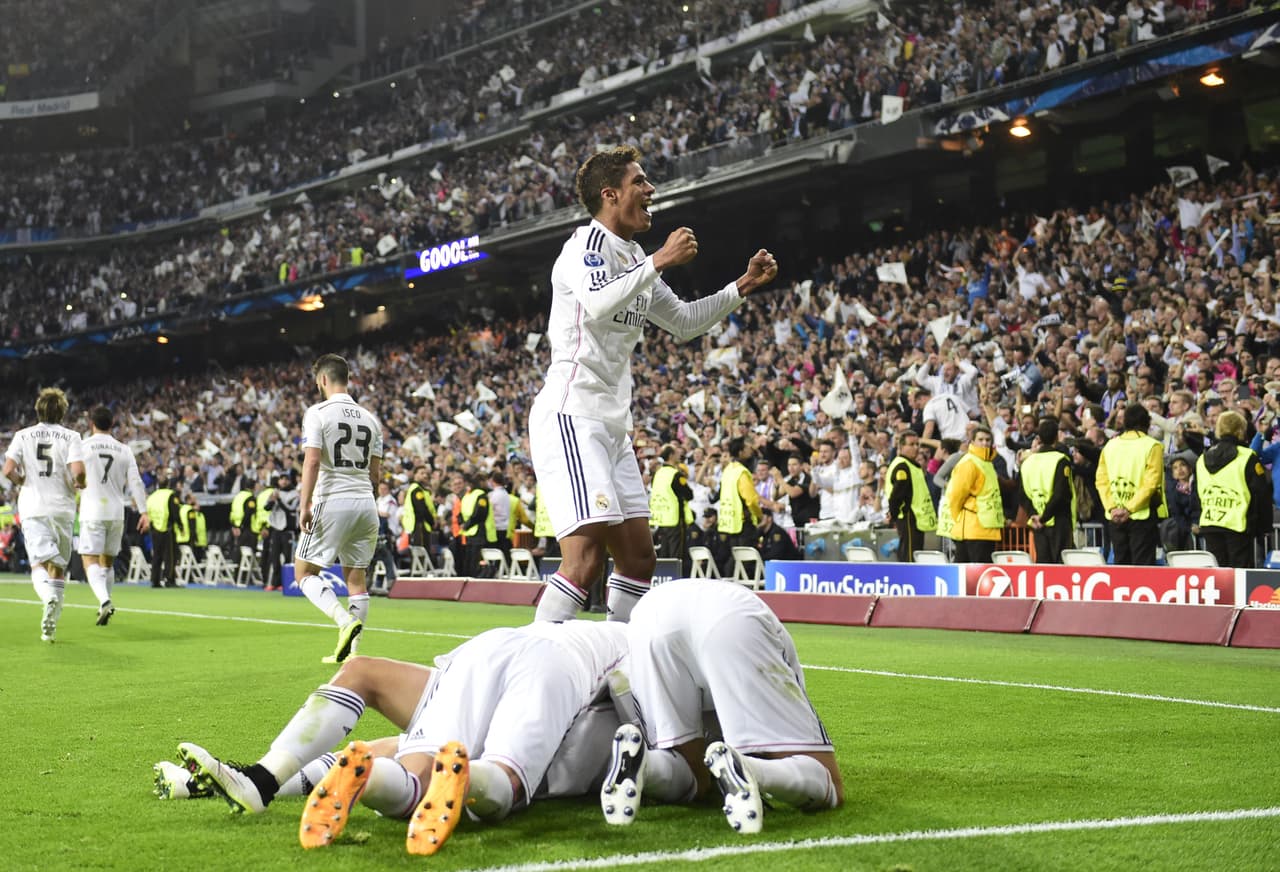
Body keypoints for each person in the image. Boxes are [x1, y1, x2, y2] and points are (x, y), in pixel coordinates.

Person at [528, 144, 777, 622]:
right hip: (571, 415)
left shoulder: (633, 255)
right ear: (610, 194)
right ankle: (537, 666)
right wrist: (660, 260)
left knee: (640, 558)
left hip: (613, 425)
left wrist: (740, 287)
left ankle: (618, 671)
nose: (650, 189)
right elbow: (599, 302)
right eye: (639, 182)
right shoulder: (585, 247)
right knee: (584, 561)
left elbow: (683, 321)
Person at [174, 620, 627, 856]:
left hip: (486, 648)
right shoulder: (642, 643)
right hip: (560, 667)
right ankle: (413, 783)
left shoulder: (611, 631)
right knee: (504, 780)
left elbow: (388, 743)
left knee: (362, 674)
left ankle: (261, 778)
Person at [600, 579, 842, 834]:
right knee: (829, 780)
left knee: (693, 773)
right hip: (730, 615)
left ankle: (646, 765)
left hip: (651, 614)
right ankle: (751, 770)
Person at [294, 354, 383, 664]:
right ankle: (353, 655)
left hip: (333, 500)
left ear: (322, 380)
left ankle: (344, 622)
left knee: (303, 572)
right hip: (366, 503)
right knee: (356, 579)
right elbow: (375, 474)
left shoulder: (317, 413)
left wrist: (305, 504)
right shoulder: (371, 419)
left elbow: (313, 460)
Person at [1, 387, 86, 642]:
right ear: (63, 411)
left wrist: (21, 479)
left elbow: (8, 471)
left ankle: (48, 598)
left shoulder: (22, 436)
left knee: (39, 563)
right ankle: (51, 625)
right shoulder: (72, 436)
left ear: (38, 409)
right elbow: (79, 473)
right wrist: (78, 483)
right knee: (58, 566)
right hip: (62, 507)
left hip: (33, 506)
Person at [78, 405, 150, 625]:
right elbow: (136, 482)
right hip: (117, 512)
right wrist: (144, 511)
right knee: (107, 562)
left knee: (89, 558)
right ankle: (104, 602)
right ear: (112, 425)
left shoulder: (82, 446)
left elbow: (73, 476)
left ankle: (104, 600)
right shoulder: (124, 449)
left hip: (92, 510)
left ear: (91, 424)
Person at [1193, 410, 1270, 568]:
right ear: (1241, 430)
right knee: (1240, 575)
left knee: (1218, 575)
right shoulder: (1248, 456)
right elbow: (1261, 494)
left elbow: (1196, 494)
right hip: (1237, 525)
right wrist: (1264, 527)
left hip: (1210, 522)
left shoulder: (1202, 459)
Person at [1097, 403, 1166, 565]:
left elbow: (1101, 480)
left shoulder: (1110, 445)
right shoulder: (1152, 445)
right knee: (1142, 568)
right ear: (1147, 423)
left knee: (1121, 564)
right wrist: (1129, 508)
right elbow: (1151, 482)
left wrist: (1112, 507)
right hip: (1141, 515)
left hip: (1114, 516)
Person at [937, 426, 1004, 563]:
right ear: (971, 442)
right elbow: (955, 495)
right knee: (972, 572)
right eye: (980, 440)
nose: (985, 443)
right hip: (972, 529)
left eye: (988, 440)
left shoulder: (987, 463)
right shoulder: (969, 463)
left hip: (985, 529)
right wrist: (959, 518)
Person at [1018, 418, 1075, 564]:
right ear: (1056, 437)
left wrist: (1034, 516)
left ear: (1039, 438)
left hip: (1037, 522)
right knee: (1061, 565)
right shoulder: (1061, 460)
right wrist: (1044, 517)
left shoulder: (1027, 462)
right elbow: (1060, 494)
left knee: (1043, 564)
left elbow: (1023, 494)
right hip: (1058, 521)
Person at [886, 431, 936, 562]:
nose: (916, 448)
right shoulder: (902, 466)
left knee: (915, 550)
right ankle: (907, 578)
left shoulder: (912, 465)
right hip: (908, 515)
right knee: (909, 552)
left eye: (917, 444)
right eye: (911, 444)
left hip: (916, 516)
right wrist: (894, 514)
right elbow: (897, 494)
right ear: (901, 447)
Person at [649, 443, 694, 575]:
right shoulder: (676, 475)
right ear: (671, 455)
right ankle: (676, 581)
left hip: (661, 519)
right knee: (676, 556)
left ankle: (663, 579)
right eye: (676, 452)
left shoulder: (658, 473)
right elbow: (688, 494)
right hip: (674, 519)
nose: (679, 455)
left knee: (664, 554)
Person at [717, 436, 762, 551]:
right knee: (746, 561)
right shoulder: (742, 472)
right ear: (740, 452)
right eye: (747, 447)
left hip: (729, 522)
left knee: (736, 558)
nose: (750, 449)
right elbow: (751, 500)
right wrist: (759, 515)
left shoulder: (727, 470)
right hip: (743, 523)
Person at [146, 471, 182, 588]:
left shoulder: (152, 496)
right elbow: (174, 512)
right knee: (169, 555)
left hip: (154, 529)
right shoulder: (171, 495)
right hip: (167, 528)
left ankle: (155, 580)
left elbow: (148, 512)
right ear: (168, 484)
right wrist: (180, 525)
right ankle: (169, 579)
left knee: (157, 555)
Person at [401, 465, 436, 551]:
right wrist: (432, 522)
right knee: (422, 553)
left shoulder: (419, 489)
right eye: (422, 473)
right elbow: (422, 509)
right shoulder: (417, 490)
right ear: (415, 475)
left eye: (426, 473)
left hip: (416, 526)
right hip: (419, 525)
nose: (425, 476)